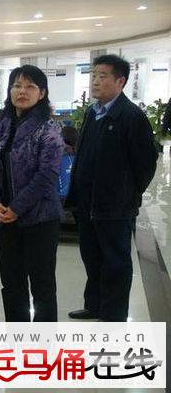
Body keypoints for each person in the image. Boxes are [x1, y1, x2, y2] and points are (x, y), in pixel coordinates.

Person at [66, 54, 158, 322]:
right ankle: (95, 305)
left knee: (115, 262)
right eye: (94, 75)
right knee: (92, 257)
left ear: (121, 81)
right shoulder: (93, 112)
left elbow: (146, 163)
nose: (95, 81)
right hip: (88, 203)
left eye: (102, 76)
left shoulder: (130, 116)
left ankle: (113, 316)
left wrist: (128, 194)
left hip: (115, 206)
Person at [0, 65, 64, 322]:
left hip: (40, 218)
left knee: (42, 286)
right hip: (6, 217)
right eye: (17, 85)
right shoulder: (4, 125)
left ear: (42, 93)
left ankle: (43, 342)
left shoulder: (49, 128)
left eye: (30, 86)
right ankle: (17, 336)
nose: (22, 91)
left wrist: (16, 208)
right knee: (11, 283)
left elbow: (47, 176)